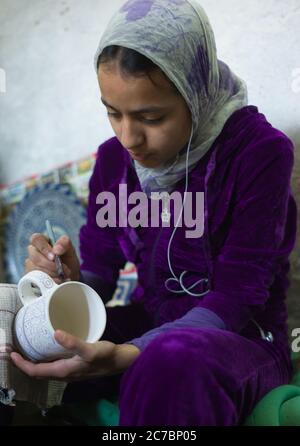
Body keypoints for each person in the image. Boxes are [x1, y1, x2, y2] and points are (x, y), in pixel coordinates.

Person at [10, 0, 298, 426]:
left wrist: (132, 353)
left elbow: (240, 294)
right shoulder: (113, 163)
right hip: (152, 321)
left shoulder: (259, 153)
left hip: (244, 338)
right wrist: (67, 282)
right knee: (7, 337)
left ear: (195, 93)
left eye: (150, 116)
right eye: (113, 112)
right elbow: (100, 276)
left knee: (169, 361)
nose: (129, 138)